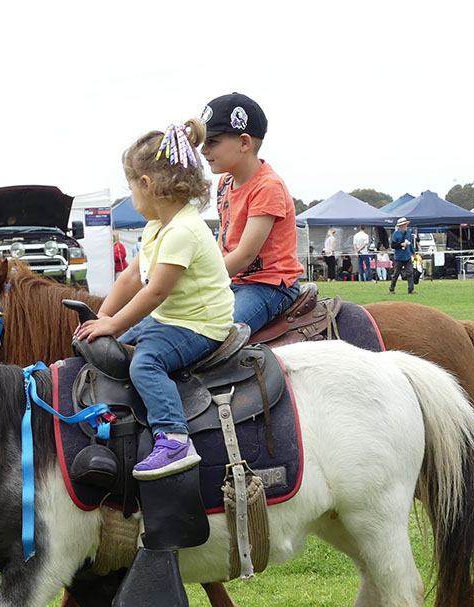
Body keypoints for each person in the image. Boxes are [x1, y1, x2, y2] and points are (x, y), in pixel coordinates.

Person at [74, 120, 233, 480]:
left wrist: (113, 324)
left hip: (200, 324)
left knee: (145, 364)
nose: (132, 196)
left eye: (131, 188)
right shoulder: (155, 228)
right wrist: (102, 317)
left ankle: (175, 438)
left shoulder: (183, 231)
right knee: (113, 350)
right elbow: (132, 276)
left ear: (146, 184)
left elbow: (155, 291)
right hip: (171, 318)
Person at [200, 93, 303, 330]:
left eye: (212, 142)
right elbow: (224, 240)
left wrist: (200, 282)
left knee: (214, 332)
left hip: (268, 286)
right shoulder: (225, 181)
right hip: (234, 280)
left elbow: (245, 254)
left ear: (244, 143)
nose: (204, 150)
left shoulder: (268, 186)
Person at [389, 217, 415, 294]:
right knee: (396, 274)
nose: (405, 226)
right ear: (400, 226)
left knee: (410, 273)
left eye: (405, 225)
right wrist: (401, 245)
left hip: (407, 256)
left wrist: (414, 254)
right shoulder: (395, 234)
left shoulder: (409, 233)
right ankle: (392, 289)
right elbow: (393, 246)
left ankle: (411, 289)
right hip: (399, 257)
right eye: (403, 225)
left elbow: (411, 245)